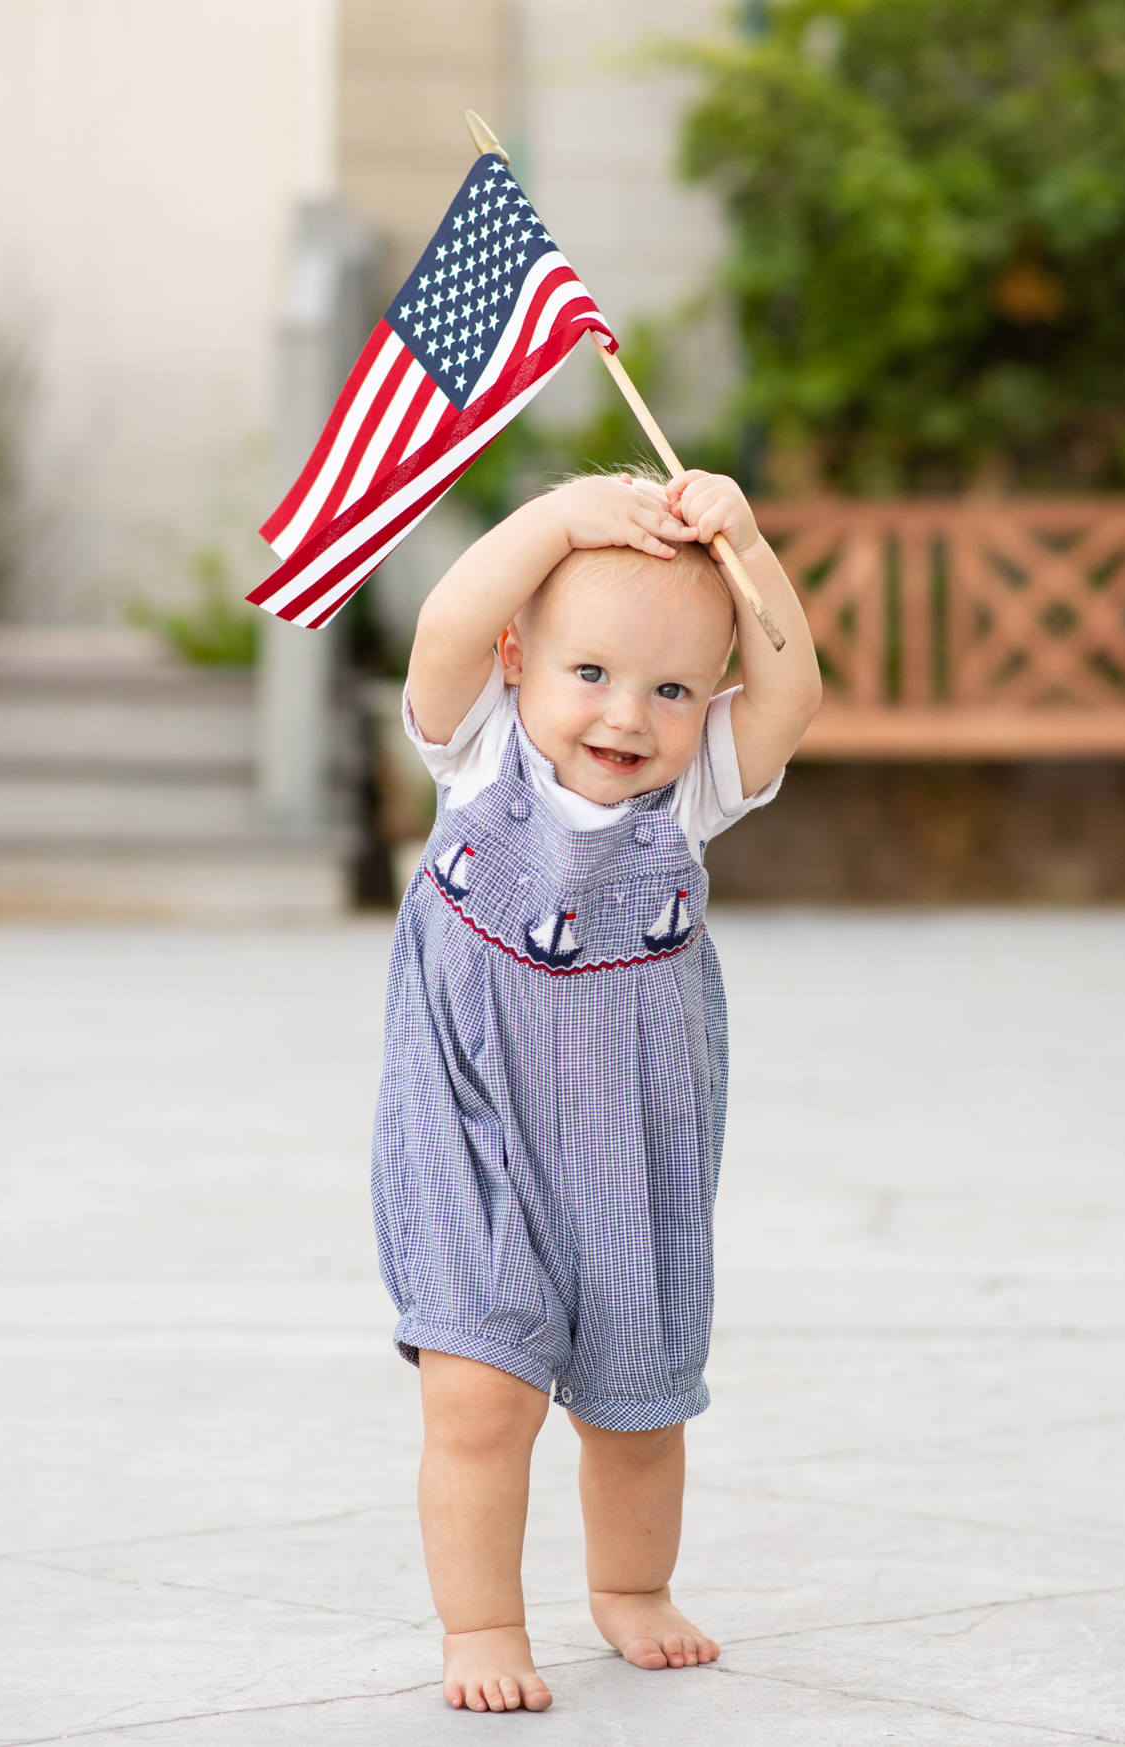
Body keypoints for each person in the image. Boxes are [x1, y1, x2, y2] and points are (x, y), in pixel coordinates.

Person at [372, 467, 821, 1713]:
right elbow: (443, 625)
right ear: (520, 660)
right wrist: (557, 523)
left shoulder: (693, 794)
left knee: (638, 1404)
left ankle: (630, 1588)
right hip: (473, 1125)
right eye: (592, 674)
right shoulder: (476, 750)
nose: (627, 715)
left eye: (673, 689)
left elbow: (793, 684)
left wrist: (745, 549)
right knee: (477, 1386)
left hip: (636, 1142)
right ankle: (483, 1619)